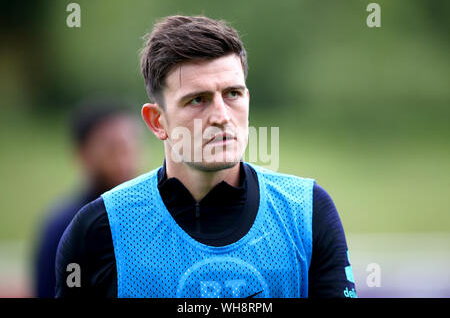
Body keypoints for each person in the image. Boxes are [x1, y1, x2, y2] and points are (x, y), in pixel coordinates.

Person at [55, 15, 357, 298]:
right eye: (197, 99)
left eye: (233, 94)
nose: (221, 116)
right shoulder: (99, 229)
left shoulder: (307, 212)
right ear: (158, 121)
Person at [34, 99, 140, 297]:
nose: (124, 158)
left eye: (130, 145)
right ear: (82, 154)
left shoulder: (154, 215)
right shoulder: (64, 227)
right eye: (112, 148)